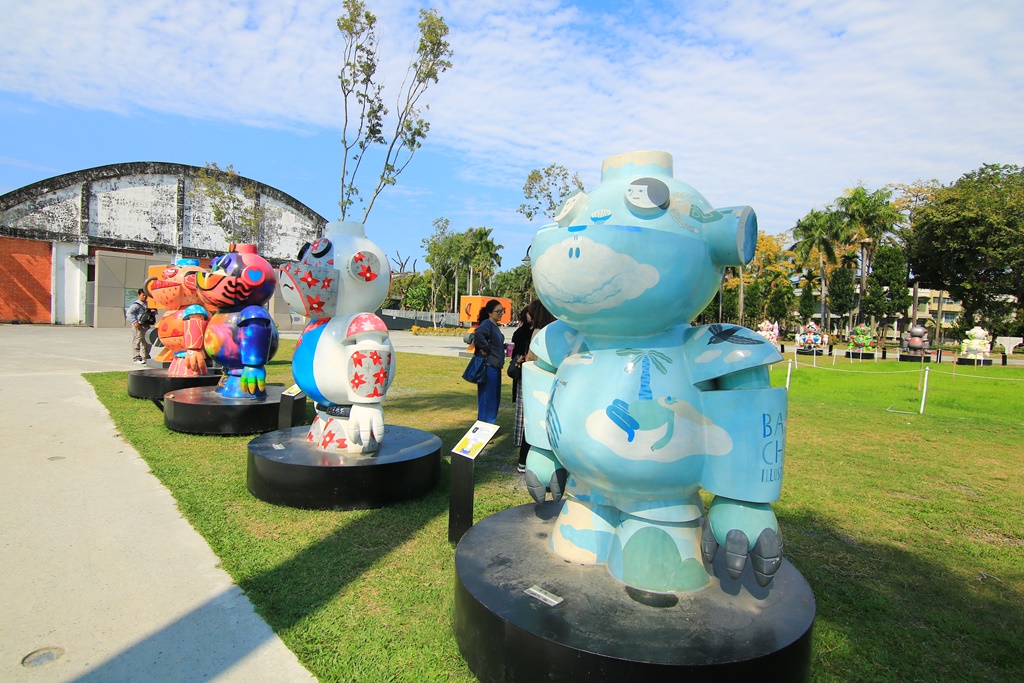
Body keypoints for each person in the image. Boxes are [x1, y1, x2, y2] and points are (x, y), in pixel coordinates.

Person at [515, 300, 556, 473]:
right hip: (549, 383)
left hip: (537, 384)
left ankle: (524, 461)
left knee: (533, 423)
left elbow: (533, 358)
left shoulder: (539, 332)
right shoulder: (550, 331)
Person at [473, 299, 505, 424]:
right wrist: (487, 348)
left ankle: (488, 427)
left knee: (494, 399)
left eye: (502, 311)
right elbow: (478, 334)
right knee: (487, 399)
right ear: (490, 313)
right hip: (489, 366)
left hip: (496, 366)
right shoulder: (487, 323)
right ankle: (483, 427)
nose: (501, 313)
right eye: (498, 311)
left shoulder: (494, 326)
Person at [126, 288, 153, 364]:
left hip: (146, 325)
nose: (144, 297)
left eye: (146, 296)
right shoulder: (136, 305)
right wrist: (135, 322)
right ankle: (137, 357)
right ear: (139, 295)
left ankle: (146, 356)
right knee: (137, 341)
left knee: (147, 342)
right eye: (143, 295)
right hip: (138, 325)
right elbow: (129, 313)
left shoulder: (148, 304)